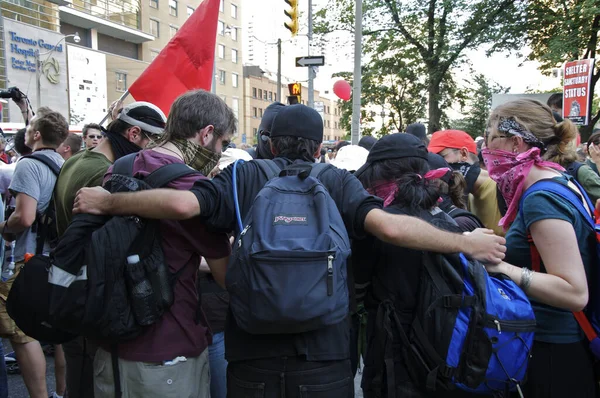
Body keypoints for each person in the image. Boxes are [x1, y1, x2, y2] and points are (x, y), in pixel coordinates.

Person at [73, 104, 505, 398]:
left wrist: (108, 201)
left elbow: (183, 204)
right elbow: (390, 227)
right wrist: (465, 243)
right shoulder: (336, 181)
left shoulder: (244, 176)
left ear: (272, 143)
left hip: (252, 356)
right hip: (325, 359)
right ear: (319, 148)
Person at [92, 89, 232, 398]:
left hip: (110, 347)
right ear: (207, 133)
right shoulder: (194, 188)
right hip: (169, 352)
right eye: (223, 143)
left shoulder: (120, 168)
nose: (221, 152)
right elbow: (227, 277)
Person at [481, 99, 596, 398]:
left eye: (491, 137)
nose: (485, 147)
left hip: (555, 353)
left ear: (516, 143)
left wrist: (500, 267)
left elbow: (574, 292)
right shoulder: (560, 179)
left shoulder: (541, 198)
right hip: (560, 345)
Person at [53, 101, 166, 398]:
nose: (153, 151)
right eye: (152, 141)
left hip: (72, 288)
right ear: (133, 133)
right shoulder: (106, 172)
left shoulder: (77, 159)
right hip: (91, 293)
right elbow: (111, 244)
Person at [353, 133, 480, 398]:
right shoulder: (447, 221)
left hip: (393, 362)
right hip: (445, 356)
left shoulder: (377, 225)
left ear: (377, 175)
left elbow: (357, 287)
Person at [0, 108, 68, 398]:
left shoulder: (28, 164)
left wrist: (4, 227)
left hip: (29, 259)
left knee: (21, 334)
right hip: (57, 257)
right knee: (59, 332)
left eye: (29, 127)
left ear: (37, 135)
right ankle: (62, 392)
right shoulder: (63, 163)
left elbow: (24, 217)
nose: (25, 132)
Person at [428, 130, 504, 235]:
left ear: (464, 153)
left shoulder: (503, 188)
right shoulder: (466, 194)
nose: (436, 163)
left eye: (441, 157)